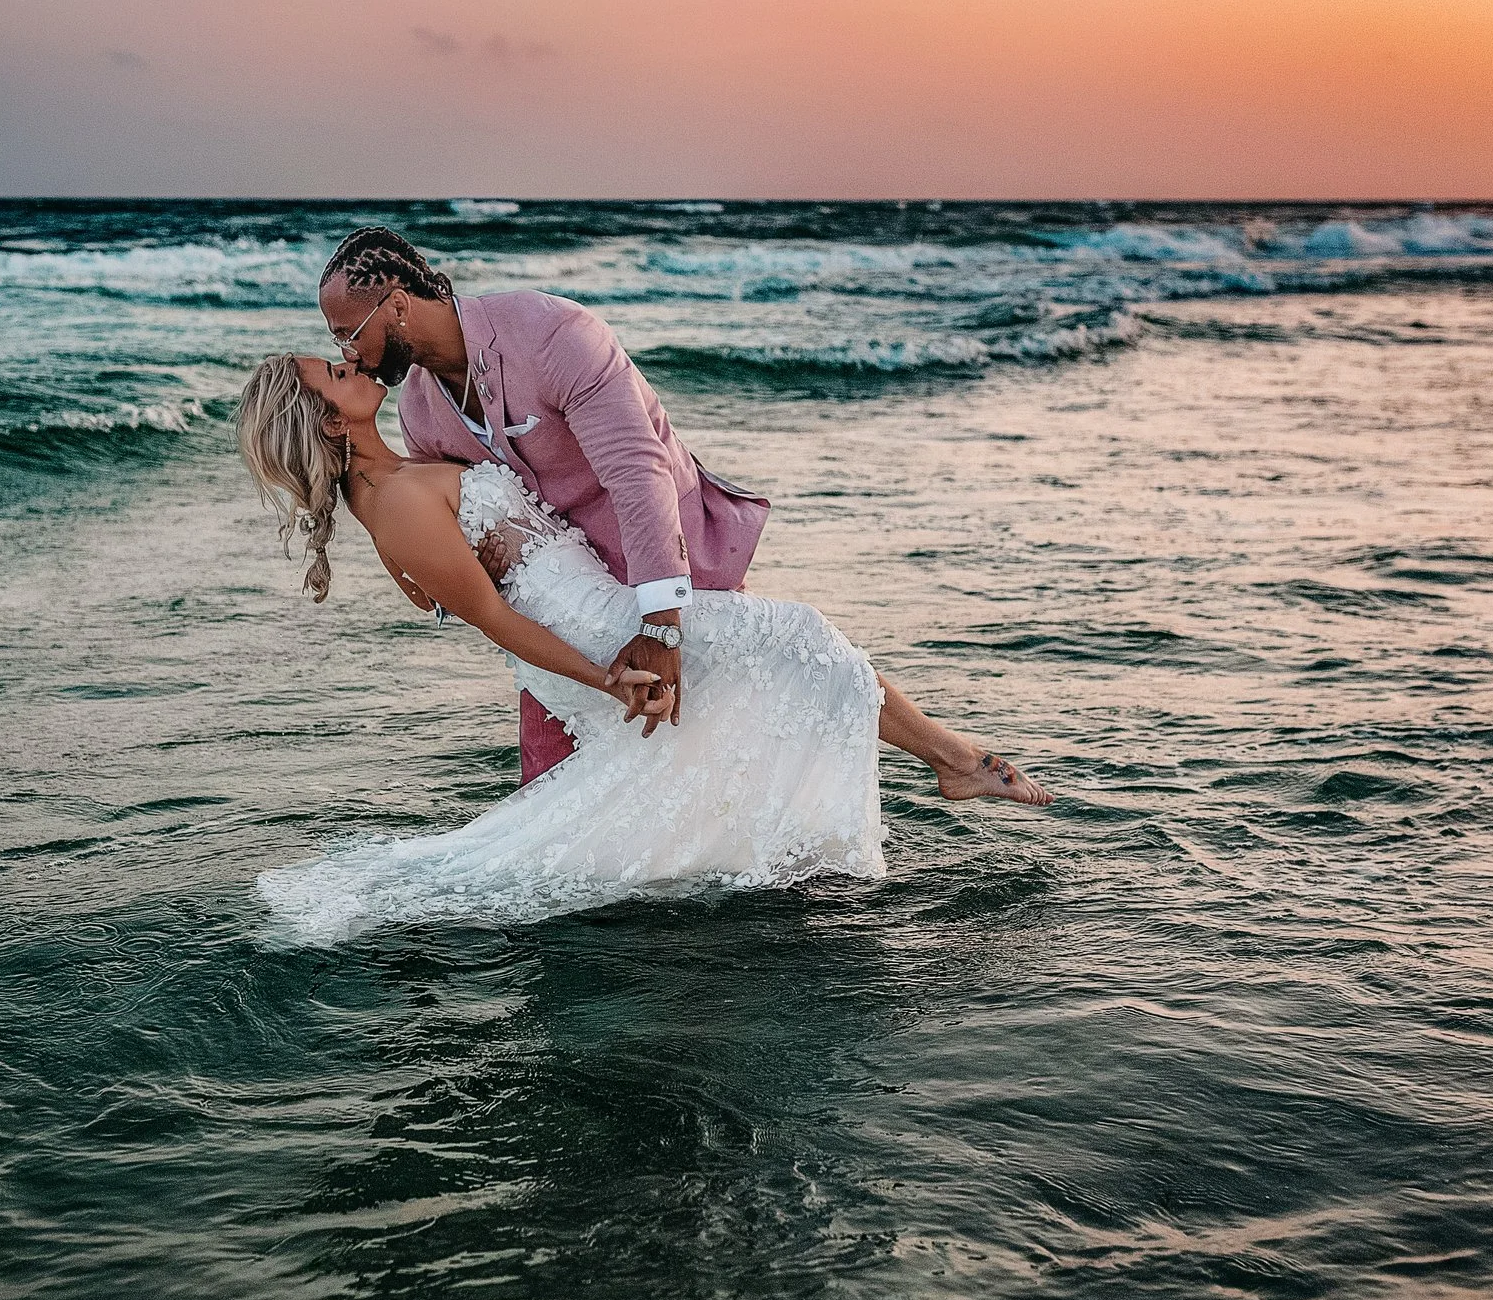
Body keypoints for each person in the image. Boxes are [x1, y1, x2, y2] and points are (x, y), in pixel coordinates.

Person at [236, 351, 1048, 945]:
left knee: (785, 669)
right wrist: (609, 671)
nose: (349, 362)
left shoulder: (402, 472)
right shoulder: (394, 503)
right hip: (597, 638)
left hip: (610, 616)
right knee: (799, 639)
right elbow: (490, 617)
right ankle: (953, 760)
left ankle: (946, 762)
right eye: (333, 375)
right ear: (327, 417)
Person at [315, 225, 760, 786]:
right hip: (565, 621)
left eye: (347, 334)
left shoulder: (552, 333)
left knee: (730, 749)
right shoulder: (420, 414)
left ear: (398, 305)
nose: (348, 354)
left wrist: (663, 625)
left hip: (663, 576)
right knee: (556, 796)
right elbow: (447, 546)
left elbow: (637, 471)